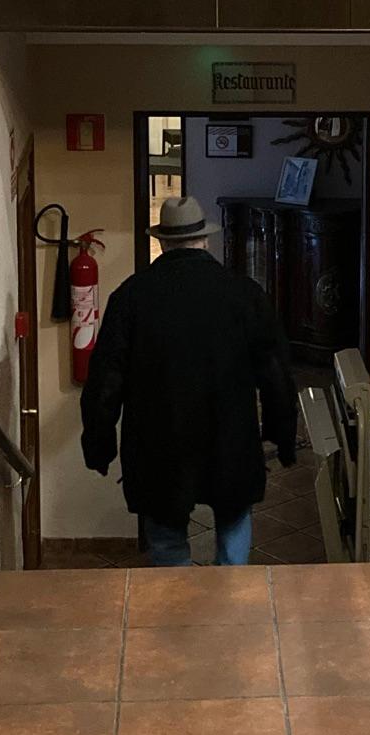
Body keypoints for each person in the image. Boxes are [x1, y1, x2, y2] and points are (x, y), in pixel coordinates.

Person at [80, 195, 299, 565]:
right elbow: (275, 372)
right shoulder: (243, 294)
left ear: (163, 243)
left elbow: (106, 381)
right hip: (228, 436)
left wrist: (99, 446)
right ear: (204, 240)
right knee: (233, 530)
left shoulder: (132, 296)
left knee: (166, 543)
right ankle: (229, 607)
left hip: (160, 443)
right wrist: (283, 434)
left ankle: (179, 615)